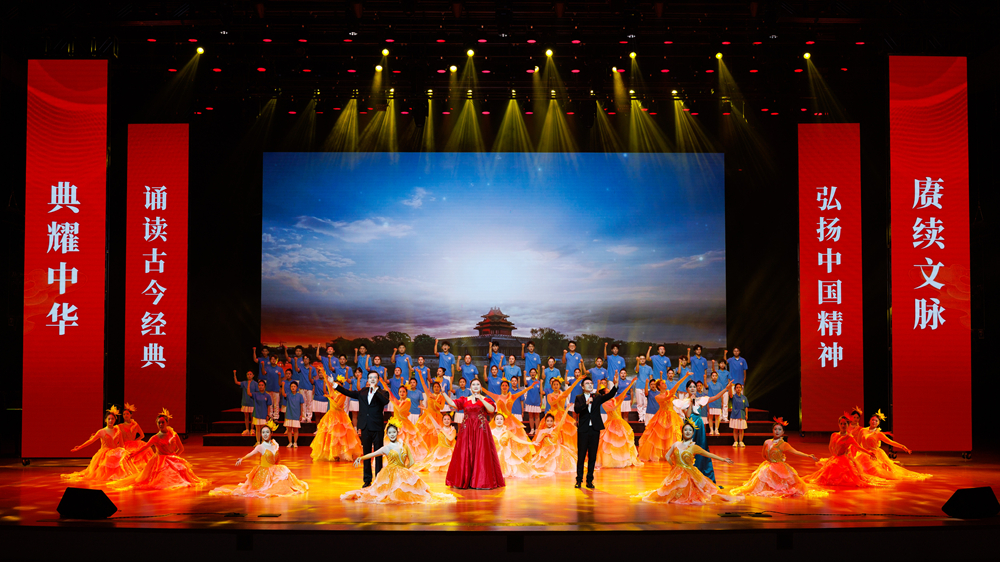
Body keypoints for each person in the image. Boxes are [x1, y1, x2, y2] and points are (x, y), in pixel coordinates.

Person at [341, 419, 457, 504]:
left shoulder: (404, 445)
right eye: (390, 433)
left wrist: (405, 469)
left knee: (410, 492)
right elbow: (373, 454)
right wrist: (360, 458)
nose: (392, 434)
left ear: (397, 432)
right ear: (387, 434)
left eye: (394, 432)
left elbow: (412, 461)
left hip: (403, 471)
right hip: (389, 474)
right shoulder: (386, 447)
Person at [634, 419, 740, 505]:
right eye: (685, 430)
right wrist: (673, 466)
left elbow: (708, 454)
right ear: (682, 432)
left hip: (689, 473)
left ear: (693, 433)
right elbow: (667, 456)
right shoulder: (676, 444)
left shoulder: (694, 447)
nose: (688, 432)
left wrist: (723, 459)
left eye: (690, 430)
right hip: (676, 473)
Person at [111, 409, 209, 491]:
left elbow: (181, 448)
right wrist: (133, 454)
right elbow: (145, 447)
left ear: (167, 423)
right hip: (160, 461)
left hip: (172, 458)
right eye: (159, 423)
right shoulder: (155, 437)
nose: (161, 424)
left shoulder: (173, 434)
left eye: (163, 422)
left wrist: (175, 457)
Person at [730, 417, 827, 498]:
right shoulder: (767, 442)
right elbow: (764, 455)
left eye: (779, 429)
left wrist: (808, 455)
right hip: (768, 466)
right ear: (772, 430)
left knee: (782, 486)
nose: (777, 431)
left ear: (783, 432)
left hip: (780, 468)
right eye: (775, 429)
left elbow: (795, 452)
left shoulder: (783, 444)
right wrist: (769, 464)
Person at [211, 420, 309, 498]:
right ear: (261, 434)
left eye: (267, 432)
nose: (265, 434)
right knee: (265, 489)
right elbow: (251, 453)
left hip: (275, 470)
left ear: (271, 433)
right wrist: (242, 459)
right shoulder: (260, 447)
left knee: (285, 481)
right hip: (264, 472)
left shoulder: (275, 444)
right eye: (263, 432)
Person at [441, 379, 505, 489]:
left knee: (481, 453)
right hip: (467, 429)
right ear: (470, 387)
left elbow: (491, 410)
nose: (475, 386)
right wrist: (443, 393)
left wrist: (481, 399)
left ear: (480, 387)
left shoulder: (485, 399)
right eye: (473, 384)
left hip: (481, 429)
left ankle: (481, 481)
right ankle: (465, 480)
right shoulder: (464, 399)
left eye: (477, 384)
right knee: (465, 452)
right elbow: (452, 403)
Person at [331, 371, 390, 487]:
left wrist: (375, 390)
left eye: (374, 377)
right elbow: (348, 392)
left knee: (378, 454)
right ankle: (367, 480)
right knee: (366, 454)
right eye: (370, 377)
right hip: (365, 427)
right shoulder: (362, 392)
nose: (372, 379)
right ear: (367, 379)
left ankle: (379, 480)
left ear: (378, 380)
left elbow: (385, 401)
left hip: (377, 427)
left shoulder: (383, 392)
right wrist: (334, 385)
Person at [805, 415, 888, 487]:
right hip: (835, 459)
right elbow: (830, 447)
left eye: (845, 423)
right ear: (838, 424)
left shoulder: (849, 437)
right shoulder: (834, 435)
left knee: (850, 478)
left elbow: (858, 447)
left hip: (845, 460)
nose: (843, 425)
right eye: (841, 423)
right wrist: (834, 455)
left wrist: (869, 453)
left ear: (848, 425)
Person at [674, 379, 733, 482]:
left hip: (699, 426)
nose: (693, 388)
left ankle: (702, 476)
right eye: (690, 387)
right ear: (687, 389)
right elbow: (687, 415)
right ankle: (687, 476)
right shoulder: (683, 402)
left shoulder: (701, 400)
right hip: (689, 427)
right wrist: (691, 402)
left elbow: (715, 397)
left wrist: (726, 389)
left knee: (701, 448)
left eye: (694, 387)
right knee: (687, 449)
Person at [62, 405, 138, 483]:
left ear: (115, 420)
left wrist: (125, 454)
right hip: (104, 454)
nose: (111, 421)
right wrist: (79, 447)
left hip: (115, 453)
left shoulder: (118, 431)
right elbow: (91, 441)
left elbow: (122, 445)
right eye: (109, 419)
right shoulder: (102, 431)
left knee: (122, 472)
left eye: (112, 419)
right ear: (105, 420)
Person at [855, 409, 932, 481]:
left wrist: (902, 446)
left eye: (876, 421)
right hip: (864, 453)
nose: (874, 422)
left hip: (874, 455)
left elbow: (890, 442)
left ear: (878, 423)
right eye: (873, 420)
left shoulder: (879, 434)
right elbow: (857, 444)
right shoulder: (862, 430)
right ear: (869, 421)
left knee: (877, 472)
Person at [573, 374, 619, 489]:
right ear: (582, 386)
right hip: (583, 430)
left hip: (594, 429)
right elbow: (577, 409)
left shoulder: (597, 396)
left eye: (591, 383)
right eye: (587, 383)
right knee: (581, 456)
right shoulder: (579, 397)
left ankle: (589, 480)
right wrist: (586, 403)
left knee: (592, 456)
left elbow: (609, 395)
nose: (590, 385)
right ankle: (579, 480)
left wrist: (615, 385)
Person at [310, 375, 363, 462]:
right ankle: (333, 454)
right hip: (330, 416)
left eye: (338, 385)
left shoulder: (343, 394)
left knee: (340, 436)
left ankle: (341, 453)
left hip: (340, 416)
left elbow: (337, 405)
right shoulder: (332, 392)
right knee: (330, 436)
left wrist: (329, 398)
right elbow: (328, 385)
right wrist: (324, 374)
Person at [484, 378, 538, 463]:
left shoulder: (512, 396)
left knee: (514, 438)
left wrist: (530, 387)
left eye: (506, 385)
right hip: (499, 420)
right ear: (501, 387)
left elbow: (521, 392)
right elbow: (487, 392)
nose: (504, 387)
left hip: (510, 421)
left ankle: (513, 457)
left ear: (508, 387)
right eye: (503, 385)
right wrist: (479, 386)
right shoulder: (497, 396)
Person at [637, 375, 690, 462]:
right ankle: (661, 454)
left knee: (673, 435)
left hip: (672, 416)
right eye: (662, 383)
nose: (665, 384)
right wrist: (671, 395)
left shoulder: (669, 392)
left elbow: (677, 384)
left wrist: (686, 375)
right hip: (662, 416)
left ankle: (674, 453)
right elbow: (665, 398)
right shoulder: (657, 397)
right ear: (659, 386)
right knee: (661, 436)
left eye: (664, 383)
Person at [596, 375, 643, 468]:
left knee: (623, 441)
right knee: (612, 442)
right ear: (604, 394)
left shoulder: (614, 399)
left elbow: (624, 392)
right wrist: (620, 401)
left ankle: (624, 459)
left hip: (620, 422)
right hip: (611, 423)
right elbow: (612, 409)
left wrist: (631, 383)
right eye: (608, 392)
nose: (610, 393)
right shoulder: (604, 403)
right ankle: (612, 461)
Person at [380, 383, 428, 463]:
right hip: (395, 423)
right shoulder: (397, 401)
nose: (402, 393)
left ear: (406, 393)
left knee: (405, 442)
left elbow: (400, 410)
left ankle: (404, 459)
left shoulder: (408, 401)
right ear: (398, 393)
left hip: (404, 425)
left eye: (403, 392)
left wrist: (392, 401)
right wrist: (382, 382)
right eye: (400, 392)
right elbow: (389, 392)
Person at [492, 413, 548, 478]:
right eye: (497, 419)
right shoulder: (490, 432)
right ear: (494, 421)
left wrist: (531, 443)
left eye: (501, 419)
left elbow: (519, 440)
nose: (499, 420)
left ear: (504, 421)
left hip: (506, 455)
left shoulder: (507, 432)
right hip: (494, 454)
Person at [415, 373, 447, 452]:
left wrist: (435, 400)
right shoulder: (429, 395)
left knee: (436, 434)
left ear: (440, 388)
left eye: (437, 387)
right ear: (433, 388)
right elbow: (423, 384)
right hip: (428, 416)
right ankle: (426, 450)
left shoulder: (442, 397)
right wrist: (420, 374)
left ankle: (435, 450)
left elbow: (441, 407)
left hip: (437, 417)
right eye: (435, 387)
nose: (436, 388)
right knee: (427, 434)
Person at [546, 376, 582, 447]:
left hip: (563, 415)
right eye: (554, 384)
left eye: (557, 384)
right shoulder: (550, 395)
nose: (556, 386)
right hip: (553, 415)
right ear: (552, 386)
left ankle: (564, 447)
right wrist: (559, 398)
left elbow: (571, 388)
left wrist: (578, 380)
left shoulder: (563, 394)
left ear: (559, 386)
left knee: (564, 432)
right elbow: (552, 403)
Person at [119, 402, 153, 467]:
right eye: (124, 414)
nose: (126, 415)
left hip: (134, 445)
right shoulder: (120, 426)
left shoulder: (135, 425)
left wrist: (135, 441)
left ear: (130, 415)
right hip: (124, 445)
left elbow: (142, 435)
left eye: (127, 414)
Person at [247, 379, 272, 445]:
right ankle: (258, 442)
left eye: (262, 385)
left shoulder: (267, 396)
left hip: (264, 415)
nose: (261, 386)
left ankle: (263, 443)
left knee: (263, 430)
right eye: (259, 385)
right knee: (257, 429)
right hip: (256, 414)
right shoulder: (255, 394)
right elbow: (248, 393)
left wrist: (268, 415)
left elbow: (269, 406)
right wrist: (249, 384)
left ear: (264, 386)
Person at [280, 380, 305, 447]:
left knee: (296, 429)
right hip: (289, 414)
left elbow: (301, 406)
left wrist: (301, 415)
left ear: (296, 387)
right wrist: (283, 386)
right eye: (291, 386)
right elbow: (283, 394)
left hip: (296, 415)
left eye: (294, 386)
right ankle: (290, 442)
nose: (293, 387)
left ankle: (295, 442)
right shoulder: (288, 395)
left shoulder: (300, 396)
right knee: (289, 430)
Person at [234, 370, 256, 436]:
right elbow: (236, 382)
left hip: (252, 402)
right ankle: (247, 429)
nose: (249, 375)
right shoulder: (244, 383)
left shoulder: (255, 383)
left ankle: (252, 429)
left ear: (253, 375)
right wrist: (234, 374)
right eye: (248, 374)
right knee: (246, 416)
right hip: (245, 401)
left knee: (252, 416)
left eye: (250, 374)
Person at [293, 355, 315, 423]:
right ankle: (303, 417)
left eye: (307, 358)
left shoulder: (312, 368)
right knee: (303, 403)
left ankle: (309, 417)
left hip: (309, 387)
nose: (305, 360)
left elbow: (314, 379)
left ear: (309, 360)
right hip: (302, 387)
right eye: (304, 359)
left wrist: (314, 388)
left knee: (309, 403)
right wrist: (296, 362)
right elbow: (296, 370)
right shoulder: (301, 367)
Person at [705, 371, 727, 436]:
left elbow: (721, 394)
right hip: (711, 403)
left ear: (717, 377)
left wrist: (722, 402)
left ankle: (716, 429)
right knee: (710, 417)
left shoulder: (720, 385)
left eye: (715, 376)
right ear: (711, 377)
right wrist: (704, 378)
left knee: (717, 417)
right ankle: (711, 430)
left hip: (718, 403)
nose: (714, 377)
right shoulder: (709, 383)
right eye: (713, 376)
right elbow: (705, 386)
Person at [523, 368, 543, 435]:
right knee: (531, 416)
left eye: (534, 372)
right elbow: (525, 383)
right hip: (529, 401)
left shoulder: (539, 382)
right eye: (531, 372)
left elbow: (540, 392)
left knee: (537, 416)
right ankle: (532, 429)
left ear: (536, 374)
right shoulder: (528, 382)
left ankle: (537, 429)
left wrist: (541, 401)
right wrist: (524, 374)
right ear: (530, 374)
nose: (533, 373)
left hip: (537, 401)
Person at [634, 354, 654, 423]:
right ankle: (640, 417)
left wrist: (651, 386)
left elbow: (651, 377)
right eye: (640, 359)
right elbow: (637, 370)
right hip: (639, 386)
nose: (642, 360)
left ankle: (645, 416)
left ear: (645, 359)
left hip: (647, 387)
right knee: (639, 403)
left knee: (646, 403)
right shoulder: (637, 366)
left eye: (643, 359)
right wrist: (637, 361)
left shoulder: (649, 368)